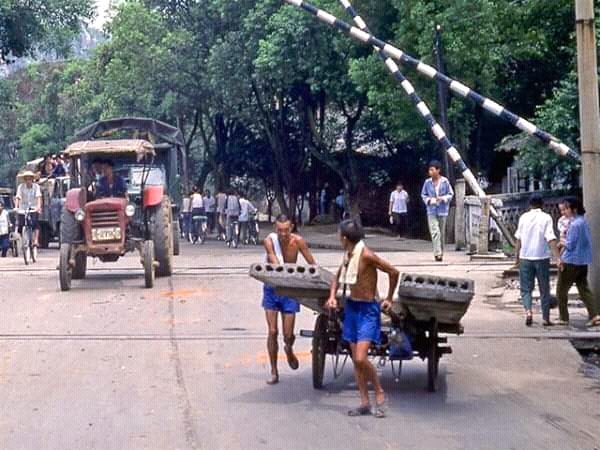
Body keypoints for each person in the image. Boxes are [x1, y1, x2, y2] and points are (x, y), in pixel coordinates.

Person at [326, 218, 399, 418]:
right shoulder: (348, 254)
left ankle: (379, 391)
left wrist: (389, 299)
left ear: (344, 238)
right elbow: (336, 277)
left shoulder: (366, 255)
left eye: (339, 235)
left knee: (360, 357)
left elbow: (393, 272)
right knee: (356, 361)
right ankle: (364, 402)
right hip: (352, 308)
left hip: (368, 310)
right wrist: (332, 297)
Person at [263, 214, 316, 384]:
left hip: (290, 290)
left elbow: (312, 263)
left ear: (291, 227)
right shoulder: (269, 241)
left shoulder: (298, 241)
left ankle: (289, 348)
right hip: (272, 287)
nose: (283, 234)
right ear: (275, 228)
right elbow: (274, 260)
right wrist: (280, 269)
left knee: (288, 334)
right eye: (280, 230)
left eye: (286, 230)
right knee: (272, 331)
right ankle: (273, 370)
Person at [514, 194, 560, 327]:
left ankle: (528, 312)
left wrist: (516, 257)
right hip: (541, 257)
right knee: (544, 288)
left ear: (530, 205)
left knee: (526, 289)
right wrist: (557, 257)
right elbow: (551, 238)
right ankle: (545, 318)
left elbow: (519, 239)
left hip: (525, 257)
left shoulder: (523, 217)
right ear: (542, 205)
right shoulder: (546, 218)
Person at [555, 197, 600, 327]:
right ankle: (594, 314)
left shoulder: (574, 225)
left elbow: (570, 245)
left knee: (561, 290)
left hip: (571, 261)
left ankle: (564, 317)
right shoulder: (583, 222)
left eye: (566, 209)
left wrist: (561, 242)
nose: (564, 212)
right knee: (583, 288)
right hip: (583, 261)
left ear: (574, 209)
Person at [421, 160, 454, 261]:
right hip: (431, 210)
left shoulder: (445, 181)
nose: (430, 172)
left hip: (442, 209)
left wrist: (443, 198)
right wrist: (429, 200)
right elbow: (423, 194)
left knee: (441, 233)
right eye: (429, 170)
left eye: (432, 170)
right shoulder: (427, 182)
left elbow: (450, 194)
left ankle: (441, 252)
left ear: (438, 170)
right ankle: (437, 253)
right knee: (435, 232)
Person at [15, 170, 42, 247]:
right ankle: (24, 238)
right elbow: (18, 197)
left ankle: (36, 240)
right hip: (23, 207)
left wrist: (38, 207)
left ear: (32, 179)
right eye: (26, 179)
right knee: (21, 224)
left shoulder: (36, 187)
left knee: (35, 223)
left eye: (29, 179)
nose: (28, 181)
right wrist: (16, 207)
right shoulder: (21, 187)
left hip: (33, 207)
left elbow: (38, 197)